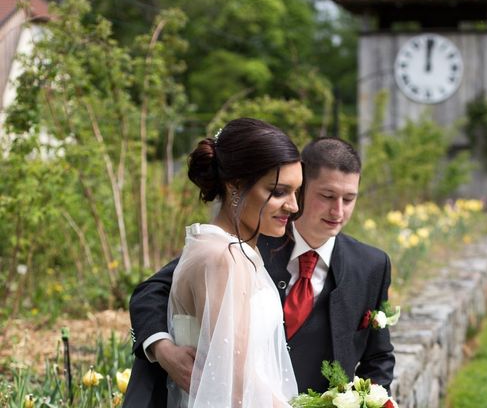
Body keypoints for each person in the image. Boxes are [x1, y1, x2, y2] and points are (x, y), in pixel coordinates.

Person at [123, 137, 395, 407]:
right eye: (327, 196)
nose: (338, 210)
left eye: (349, 199)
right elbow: (151, 292)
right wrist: (162, 349)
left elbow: (378, 357)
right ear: (303, 187)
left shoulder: (371, 265)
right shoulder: (249, 238)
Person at [148, 117, 303, 407]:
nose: (293, 206)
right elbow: (234, 383)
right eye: (279, 192)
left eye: (296, 192)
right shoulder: (222, 257)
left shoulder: (235, 249)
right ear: (235, 186)